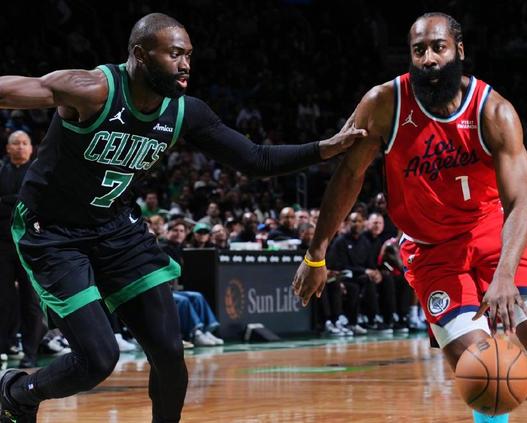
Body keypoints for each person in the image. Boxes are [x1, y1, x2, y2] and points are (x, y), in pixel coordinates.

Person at [0, 13, 365, 422]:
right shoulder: (93, 90)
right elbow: (11, 90)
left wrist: (324, 148)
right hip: (52, 232)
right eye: (175, 54)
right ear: (140, 55)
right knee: (98, 359)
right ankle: (17, 392)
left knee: (170, 353)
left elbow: (256, 159)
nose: (185, 64)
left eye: (189, 55)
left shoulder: (184, 112)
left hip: (116, 228)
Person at [292, 13, 527, 423]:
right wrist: (316, 254)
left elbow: (520, 204)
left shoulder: (495, 112)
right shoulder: (384, 104)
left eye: (438, 47)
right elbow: (348, 177)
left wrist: (505, 274)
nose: (429, 58)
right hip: (431, 249)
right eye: (419, 50)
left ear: (459, 51)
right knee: (484, 368)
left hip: (493, 235)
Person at [0, 131, 46, 369]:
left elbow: (36, 203)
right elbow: (22, 202)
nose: (20, 147)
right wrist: (17, 201)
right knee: (4, 299)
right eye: (15, 143)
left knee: (31, 301)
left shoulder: (39, 171)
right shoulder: (2, 170)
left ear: (31, 148)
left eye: (24, 143)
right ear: (8, 148)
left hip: (30, 244)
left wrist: (6, 201)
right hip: (2, 245)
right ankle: (5, 345)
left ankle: (31, 352)